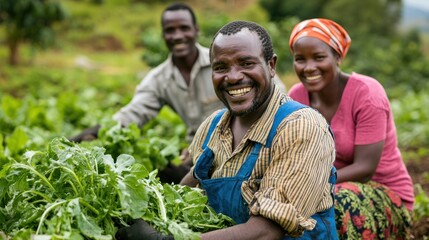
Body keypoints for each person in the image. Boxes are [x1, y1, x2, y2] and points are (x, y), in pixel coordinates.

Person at [116, 20, 338, 240]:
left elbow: (266, 231)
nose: (233, 77)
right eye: (221, 68)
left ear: (271, 66)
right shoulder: (213, 126)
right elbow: (184, 194)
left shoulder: (300, 127)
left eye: (247, 63)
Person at [70, 3, 286, 184]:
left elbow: (276, 96)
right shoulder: (159, 78)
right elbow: (133, 114)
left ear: (196, 30)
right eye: (170, 31)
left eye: (184, 28)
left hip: (243, 145)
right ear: (163, 35)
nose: (178, 36)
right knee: (154, 173)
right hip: (194, 155)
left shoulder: (223, 61)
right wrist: (92, 133)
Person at [287, 18, 414, 239]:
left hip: (384, 194)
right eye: (300, 59)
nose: (309, 68)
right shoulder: (296, 97)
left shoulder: (367, 94)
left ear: (337, 57)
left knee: (330, 203)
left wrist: (310, 186)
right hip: (322, 189)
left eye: (318, 57)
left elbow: (365, 169)